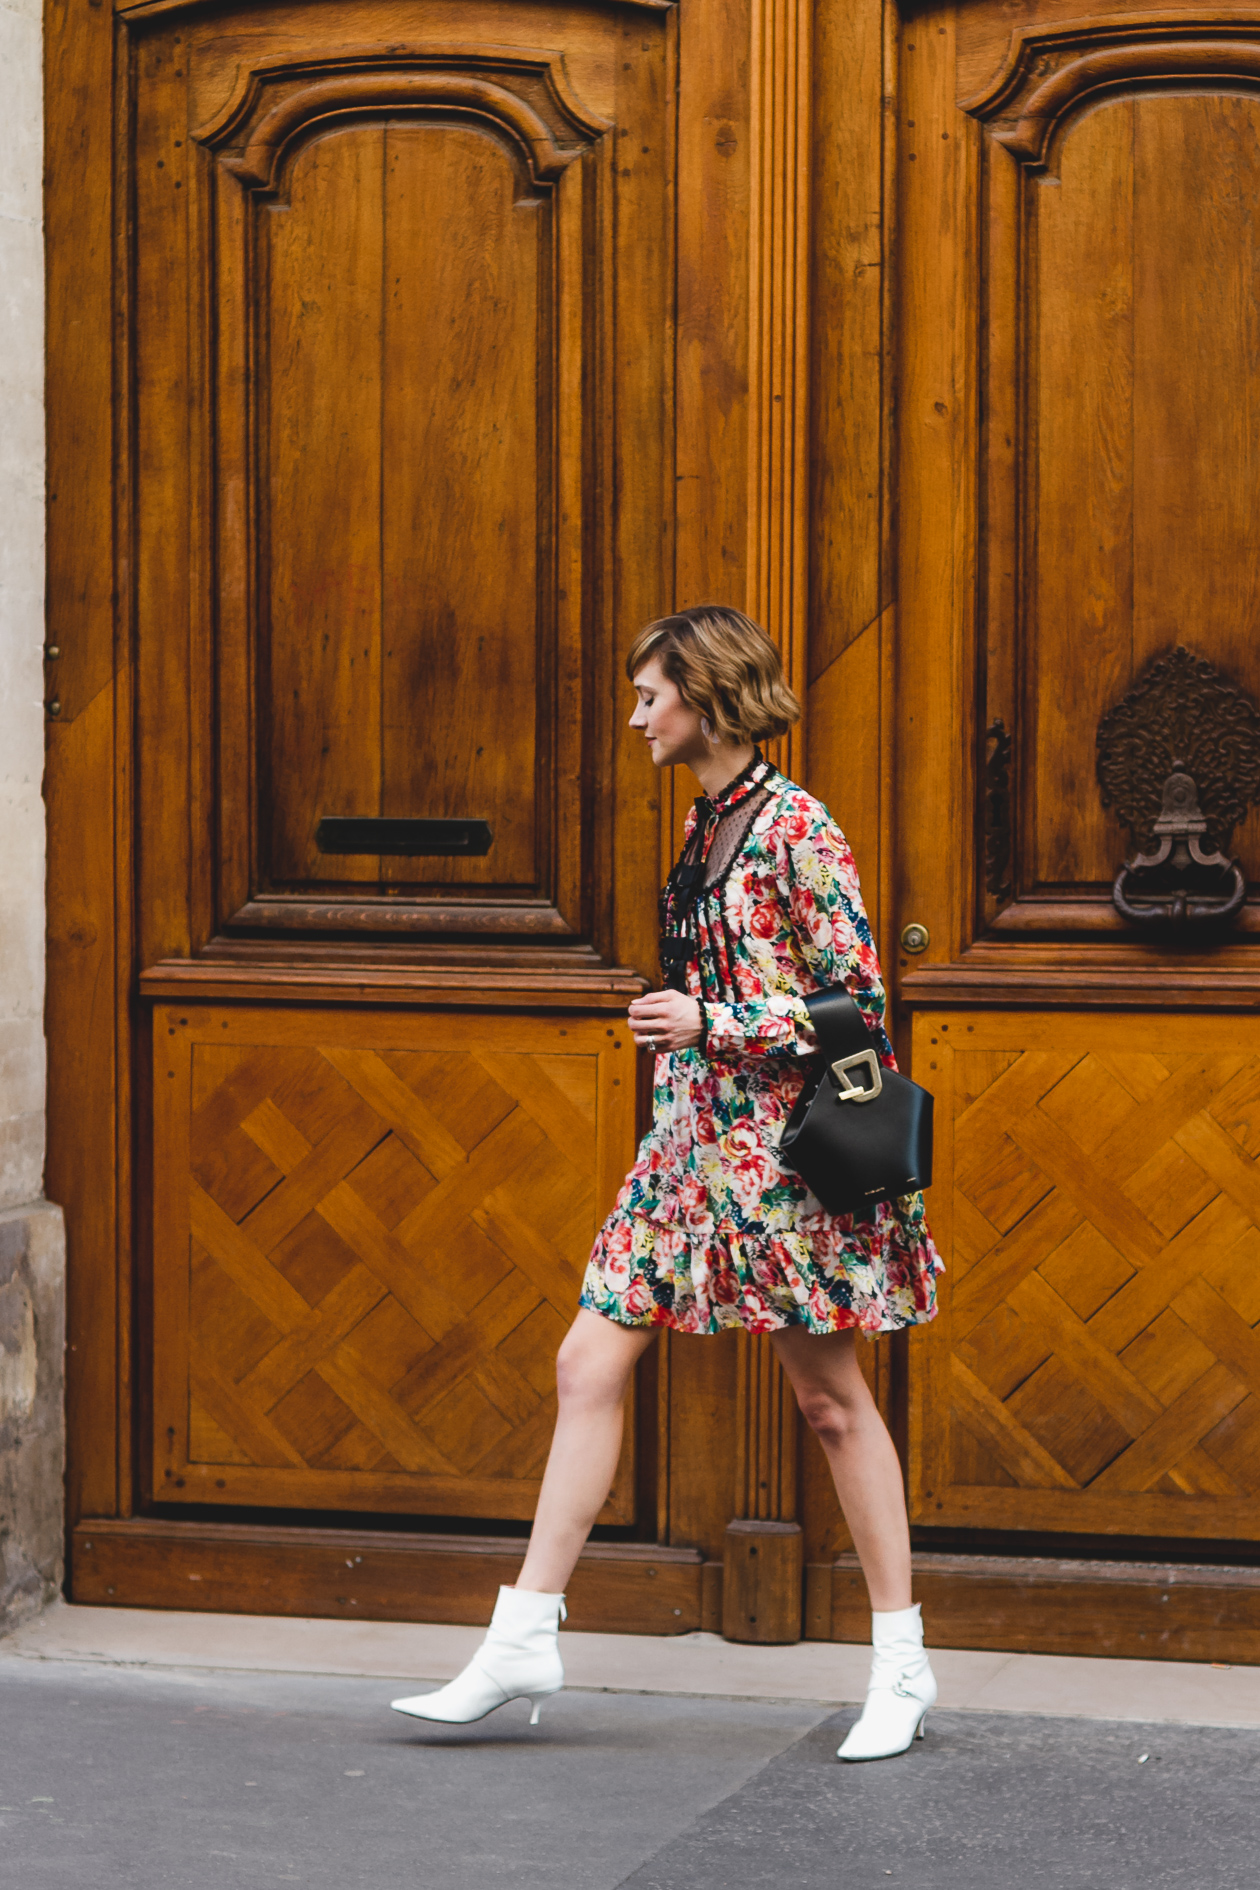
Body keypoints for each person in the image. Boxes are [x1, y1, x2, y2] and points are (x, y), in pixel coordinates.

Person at [391, 605, 943, 1762]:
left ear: (709, 695)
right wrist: (694, 1039)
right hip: (686, 1151)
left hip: (782, 1160)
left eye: (652, 695)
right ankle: (523, 1634)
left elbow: (861, 1005)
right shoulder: (704, 827)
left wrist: (716, 1017)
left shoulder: (798, 827)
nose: (638, 717)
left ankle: (902, 1664)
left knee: (830, 1404)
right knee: (586, 1361)